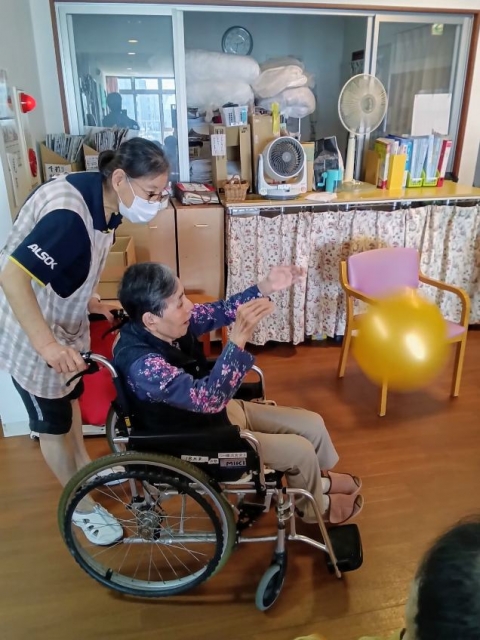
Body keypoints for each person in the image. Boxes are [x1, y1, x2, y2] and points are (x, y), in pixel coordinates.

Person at [0, 137, 170, 545]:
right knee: (53, 424)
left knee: (71, 399)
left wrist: (90, 299)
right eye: (151, 193)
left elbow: (75, 261)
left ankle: (83, 466)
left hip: (63, 321)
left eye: (160, 194)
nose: (156, 202)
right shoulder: (69, 215)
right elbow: (12, 277)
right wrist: (47, 347)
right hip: (31, 332)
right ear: (120, 178)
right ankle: (82, 507)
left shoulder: (105, 204)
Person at [113, 262, 364, 526]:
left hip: (213, 415)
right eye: (179, 302)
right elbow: (210, 399)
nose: (190, 306)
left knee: (312, 423)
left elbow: (223, 310)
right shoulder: (143, 365)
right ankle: (313, 508)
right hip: (194, 438)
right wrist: (238, 338)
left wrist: (266, 286)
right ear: (150, 319)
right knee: (300, 451)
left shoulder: (166, 324)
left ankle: (313, 482)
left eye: (183, 295)